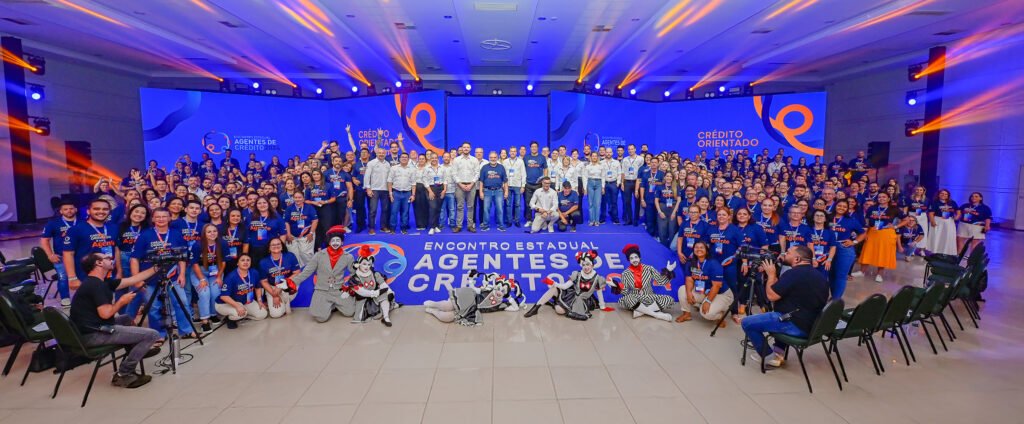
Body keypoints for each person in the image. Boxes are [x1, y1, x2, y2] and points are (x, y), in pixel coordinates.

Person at [69, 253, 160, 388]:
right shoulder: (95, 286)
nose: (111, 259)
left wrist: (156, 268)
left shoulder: (100, 282)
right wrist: (121, 302)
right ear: (98, 263)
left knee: (126, 319)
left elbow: (133, 279)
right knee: (152, 335)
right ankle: (124, 374)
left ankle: (136, 350)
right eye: (106, 258)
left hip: (90, 328)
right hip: (92, 334)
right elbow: (105, 314)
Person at [741, 245, 829, 367]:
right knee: (781, 313)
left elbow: (771, 296)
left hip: (797, 325)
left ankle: (769, 357)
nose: (784, 255)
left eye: (788, 253)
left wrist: (771, 275)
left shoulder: (793, 274)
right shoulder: (819, 275)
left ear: (797, 259)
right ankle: (779, 352)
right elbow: (781, 289)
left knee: (747, 323)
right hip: (813, 324)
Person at [130, 208, 197, 339]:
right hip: (150, 278)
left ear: (169, 218)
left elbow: (182, 256)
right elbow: (134, 258)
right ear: (153, 219)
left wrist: (182, 274)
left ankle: (187, 330)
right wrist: (136, 279)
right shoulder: (145, 235)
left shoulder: (176, 234)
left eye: (164, 216)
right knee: (154, 307)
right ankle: (159, 334)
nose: (161, 219)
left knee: (182, 302)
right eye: (158, 217)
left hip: (173, 276)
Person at [285, 226, 359, 323]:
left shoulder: (348, 257)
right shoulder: (319, 255)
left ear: (342, 242)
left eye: (338, 240)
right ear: (329, 242)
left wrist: (355, 283)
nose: (335, 243)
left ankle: (334, 304)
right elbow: (307, 272)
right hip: (322, 290)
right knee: (320, 318)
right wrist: (291, 282)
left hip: (338, 289)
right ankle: (330, 305)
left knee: (350, 312)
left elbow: (354, 273)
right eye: (333, 240)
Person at [524, 250, 609, 319]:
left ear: (592, 265)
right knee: (553, 289)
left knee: (559, 311)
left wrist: (602, 306)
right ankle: (535, 309)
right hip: (571, 295)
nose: (586, 267)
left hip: (582, 301)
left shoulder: (598, 278)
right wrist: (554, 283)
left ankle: (554, 303)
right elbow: (565, 286)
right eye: (583, 265)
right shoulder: (577, 274)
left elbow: (599, 293)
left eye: (588, 264)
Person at [424, 270, 525, 326]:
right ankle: (434, 304)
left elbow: (515, 308)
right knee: (449, 305)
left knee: (452, 317)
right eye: (499, 288)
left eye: (503, 291)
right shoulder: (487, 289)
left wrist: (509, 297)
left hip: (473, 310)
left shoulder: (502, 304)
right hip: (469, 299)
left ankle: (433, 311)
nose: (499, 291)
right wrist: (471, 279)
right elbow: (474, 289)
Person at [64, 199, 121, 292]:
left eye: (105, 209)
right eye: (96, 209)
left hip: (109, 274)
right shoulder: (76, 229)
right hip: (86, 276)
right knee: (89, 305)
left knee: (107, 302)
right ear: (88, 211)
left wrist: (119, 272)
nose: (101, 212)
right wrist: (72, 278)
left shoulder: (113, 227)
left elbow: (116, 249)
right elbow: (68, 253)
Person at [613, 244, 677, 321]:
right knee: (627, 299)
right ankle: (656, 314)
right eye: (631, 258)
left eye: (636, 257)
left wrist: (668, 271)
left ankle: (640, 312)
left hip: (649, 296)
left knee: (668, 299)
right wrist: (617, 286)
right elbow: (625, 292)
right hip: (635, 297)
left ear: (640, 257)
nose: (634, 260)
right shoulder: (625, 273)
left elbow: (660, 281)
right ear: (629, 260)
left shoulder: (649, 268)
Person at [676, 241, 732, 325]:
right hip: (704, 291)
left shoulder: (713, 263)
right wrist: (688, 293)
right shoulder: (691, 262)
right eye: (696, 247)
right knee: (682, 290)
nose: (699, 249)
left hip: (721, 294)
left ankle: (720, 316)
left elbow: (716, 286)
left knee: (706, 314)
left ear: (707, 250)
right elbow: (689, 279)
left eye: (701, 247)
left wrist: (708, 302)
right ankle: (686, 314)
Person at [342, 245, 400, 326]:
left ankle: (386, 318)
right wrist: (376, 293)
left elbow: (383, 284)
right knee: (382, 294)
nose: (367, 267)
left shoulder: (375, 274)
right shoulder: (355, 278)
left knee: (385, 295)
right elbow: (362, 292)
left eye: (369, 264)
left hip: (375, 298)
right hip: (363, 302)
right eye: (364, 264)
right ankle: (390, 307)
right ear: (358, 264)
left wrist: (389, 292)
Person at [856, 191, 901, 283]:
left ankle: (879, 274)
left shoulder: (894, 209)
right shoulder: (872, 208)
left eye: (884, 197)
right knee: (867, 251)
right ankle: (862, 271)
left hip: (886, 233)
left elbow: (906, 219)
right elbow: (867, 221)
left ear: (888, 199)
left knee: (883, 254)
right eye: (880, 197)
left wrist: (895, 226)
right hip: (873, 232)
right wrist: (866, 233)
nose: (881, 198)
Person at [189, 224, 225, 332]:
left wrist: (219, 277)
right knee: (204, 293)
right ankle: (204, 319)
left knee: (215, 292)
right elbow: (194, 264)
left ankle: (213, 314)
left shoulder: (222, 243)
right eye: (209, 232)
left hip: (215, 272)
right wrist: (202, 279)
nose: (212, 233)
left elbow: (223, 262)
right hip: (199, 272)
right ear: (204, 234)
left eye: (214, 231)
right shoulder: (197, 245)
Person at [41, 200, 78, 306]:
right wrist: (50, 255)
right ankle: (65, 298)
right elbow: (44, 240)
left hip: (80, 255)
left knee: (84, 277)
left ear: (75, 209)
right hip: (61, 257)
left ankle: (84, 298)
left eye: (71, 208)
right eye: (65, 209)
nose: (69, 211)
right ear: (61, 211)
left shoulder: (83, 222)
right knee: (63, 278)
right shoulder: (53, 223)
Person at [216, 254, 268, 327]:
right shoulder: (231, 277)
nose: (245, 262)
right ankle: (230, 318)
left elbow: (258, 287)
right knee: (240, 312)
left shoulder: (254, 272)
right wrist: (237, 306)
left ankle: (243, 315)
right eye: (242, 260)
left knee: (262, 314)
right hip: (225, 303)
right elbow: (224, 296)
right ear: (237, 263)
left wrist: (259, 300)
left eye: (248, 260)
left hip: (246, 301)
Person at [829, 200, 865, 300]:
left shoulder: (851, 220)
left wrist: (854, 242)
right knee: (831, 274)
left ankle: (835, 300)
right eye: (839, 205)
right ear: (835, 206)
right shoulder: (828, 217)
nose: (841, 208)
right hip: (828, 247)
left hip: (843, 248)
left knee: (841, 275)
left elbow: (863, 233)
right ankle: (832, 296)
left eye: (844, 206)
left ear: (847, 208)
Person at [258, 238, 300, 318]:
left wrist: (281, 286)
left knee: (286, 293)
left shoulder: (290, 256)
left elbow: (297, 273)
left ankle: (285, 303)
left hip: (288, 283)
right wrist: (274, 295)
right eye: (273, 245)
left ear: (282, 246)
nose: (276, 246)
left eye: (278, 244)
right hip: (272, 288)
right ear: (269, 248)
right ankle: (283, 303)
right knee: (275, 315)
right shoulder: (263, 262)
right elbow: (264, 281)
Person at [451, 142, 479, 233]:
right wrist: (460, 184)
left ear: (470, 149)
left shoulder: (475, 160)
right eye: (464, 147)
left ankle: (470, 226)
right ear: (462, 149)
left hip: (472, 185)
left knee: (471, 206)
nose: (466, 149)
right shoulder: (456, 160)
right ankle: (459, 225)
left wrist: (471, 184)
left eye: (467, 147)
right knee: (460, 206)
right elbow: (454, 173)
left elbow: (477, 173)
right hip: (460, 186)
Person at [283, 191, 317, 267]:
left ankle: (311, 269)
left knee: (305, 254)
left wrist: (311, 233)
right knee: (293, 254)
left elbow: (315, 220)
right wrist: (288, 234)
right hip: (292, 235)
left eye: (299, 197)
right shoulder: (289, 208)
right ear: (293, 198)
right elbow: (286, 222)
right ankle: (299, 270)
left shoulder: (309, 207)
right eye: (295, 197)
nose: (297, 199)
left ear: (303, 198)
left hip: (306, 234)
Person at [478, 151, 508, 232]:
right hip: (487, 191)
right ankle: (485, 225)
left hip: (499, 191)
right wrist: (481, 192)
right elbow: (481, 181)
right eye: (491, 157)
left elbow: (505, 181)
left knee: (500, 209)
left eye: (495, 157)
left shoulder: (501, 167)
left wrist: (506, 192)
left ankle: (500, 225)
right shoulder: (484, 167)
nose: (493, 159)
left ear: (497, 158)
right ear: (489, 158)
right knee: (486, 209)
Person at [387, 152, 417, 234]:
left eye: (406, 157)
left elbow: (413, 183)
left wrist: (413, 195)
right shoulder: (394, 168)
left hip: (407, 193)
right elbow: (389, 181)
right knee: (394, 211)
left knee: (405, 212)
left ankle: (403, 228)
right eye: (402, 157)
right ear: (400, 159)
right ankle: (392, 228)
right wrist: (390, 193)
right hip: (396, 193)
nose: (404, 158)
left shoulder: (412, 169)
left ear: (408, 159)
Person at [926, 188, 958, 256]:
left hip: (949, 221)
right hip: (937, 220)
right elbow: (931, 213)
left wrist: (957, 217)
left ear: (948, 195)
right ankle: (935, 251)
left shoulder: (952, 203)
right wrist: (932, 221)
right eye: (942, 193)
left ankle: (946, 252)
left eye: (946, 194)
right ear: (939, 195)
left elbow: (958, 211)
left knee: (948, 236)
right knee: (936, 236)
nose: (944, 195)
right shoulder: (934, 202)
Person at [522, 141, 548, 222]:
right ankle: (529, 220)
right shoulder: (526, 157)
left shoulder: (542, 157)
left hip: (538, 184)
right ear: (530, 148)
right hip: (528, 184)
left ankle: (538, 219)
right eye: (532, 146)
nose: (534, 148)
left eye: (535, 146)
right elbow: (522, 170)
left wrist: (544, 180)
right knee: (528, 203)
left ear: (537, 148)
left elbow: (545, 168)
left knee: (539, 203)